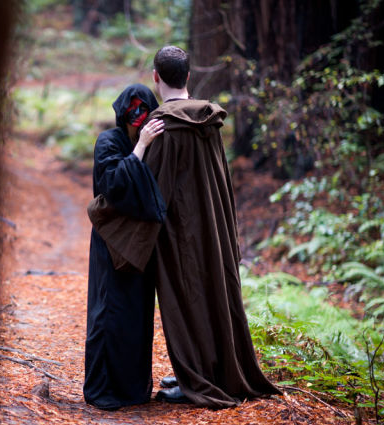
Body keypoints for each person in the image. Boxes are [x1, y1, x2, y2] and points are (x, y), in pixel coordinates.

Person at [89, 46, 281, 408]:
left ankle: (196, 376)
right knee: (210, 292)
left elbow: (147, 189)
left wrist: (104, 215)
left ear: (156, 77)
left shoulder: (162, 125)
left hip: (178, 232)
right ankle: (208, 369)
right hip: (214, 225)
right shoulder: (209, 120)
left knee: (185, 299)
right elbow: (217, 183)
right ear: (188, 77)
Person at [83, 84, 166, 411]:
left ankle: (133, 389)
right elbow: (113, 185)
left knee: (137, 314)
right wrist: (141, 145)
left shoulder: (157, 141)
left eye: (141, 118)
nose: (137, 124)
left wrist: (148, 143)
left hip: (142, 244)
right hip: (112, 243)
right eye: (132, 118)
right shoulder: (109, 142)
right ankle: (103, 389)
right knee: (109, 312)